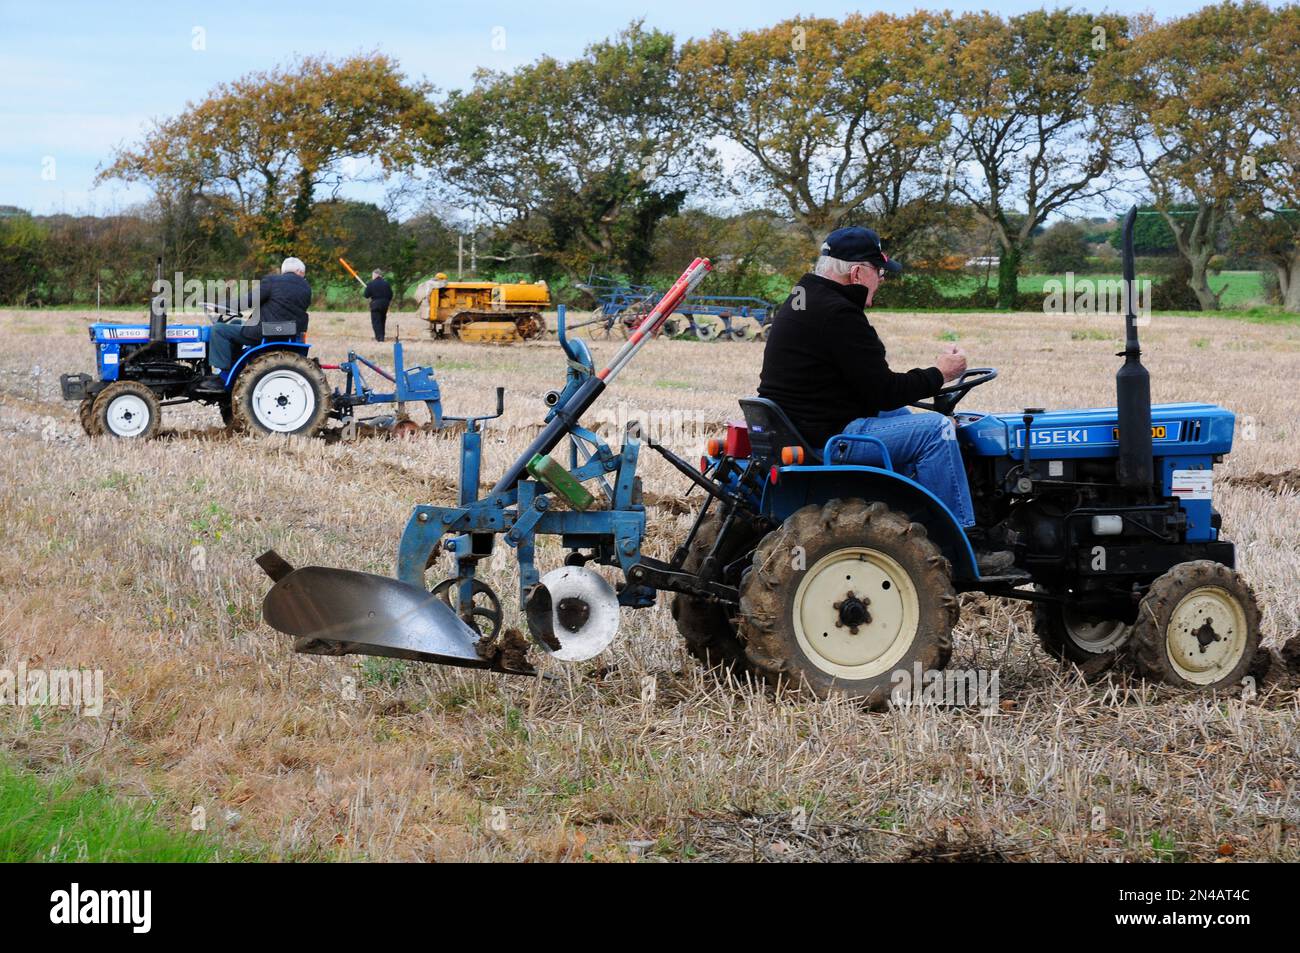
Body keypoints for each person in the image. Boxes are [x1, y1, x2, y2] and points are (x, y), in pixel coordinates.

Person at [757, 226, 1012, 572]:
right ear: (858, 272)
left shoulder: (803, 297)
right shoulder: (839, 314)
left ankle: (910, 512)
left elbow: (873, 390)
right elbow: (884, 388)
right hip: (831, 435)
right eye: (879, 273)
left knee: (897, 412)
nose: (881, 281)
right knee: (937, 429)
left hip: (806, 422)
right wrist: (941, 374)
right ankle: (965, 540)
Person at [199, 257, 312, 390]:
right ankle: (235, 366)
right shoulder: (306, 288)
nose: (303, 276)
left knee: (218, 330)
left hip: (264, 332)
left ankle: (222, 377)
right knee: (236, 322)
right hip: (288, 332)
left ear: (284, 270)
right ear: (299, 271)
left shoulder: (273, 282)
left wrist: (218, 307)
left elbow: (248, 301)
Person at [364, 268, 393, 342]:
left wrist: (368, 289)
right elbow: (390, 295)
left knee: (376, 321)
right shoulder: (386, 284)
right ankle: (382, 336)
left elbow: (366, 295)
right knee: (382, 320)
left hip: (375, 304)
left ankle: (379, 338)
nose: (372, 277)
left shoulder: (371, 284)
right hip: (385, 304)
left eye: (372, 275)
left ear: (376, 275)